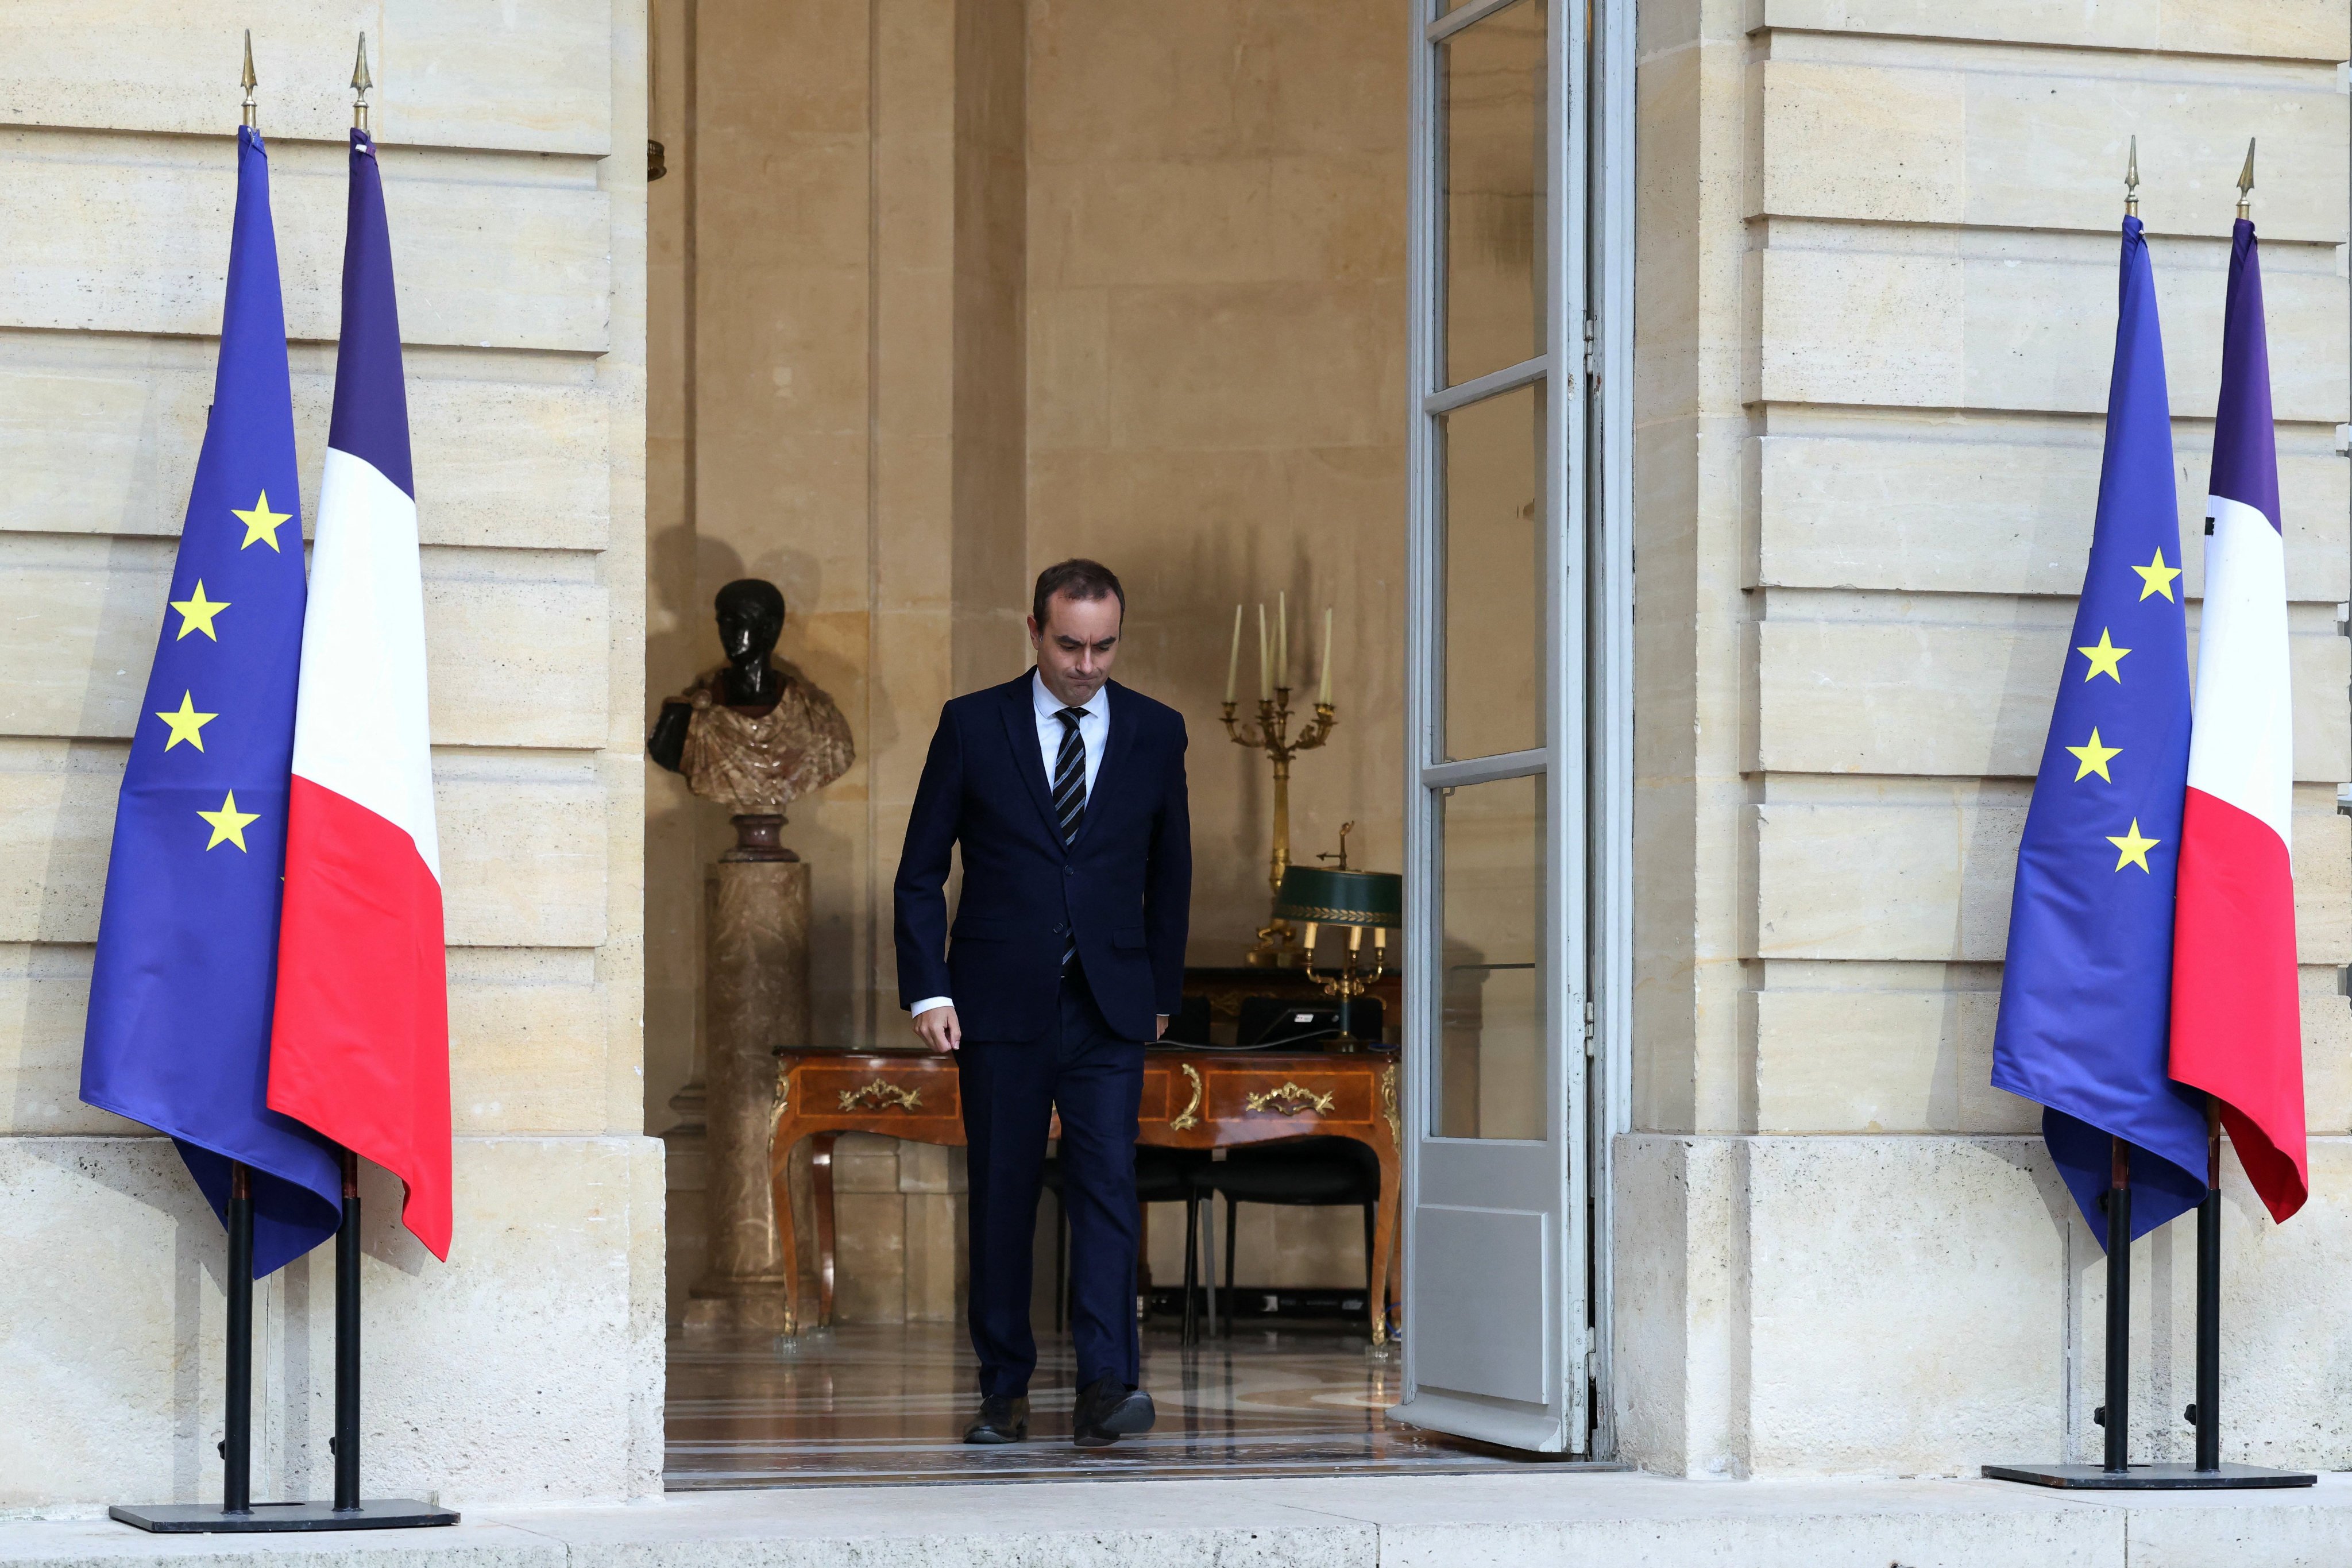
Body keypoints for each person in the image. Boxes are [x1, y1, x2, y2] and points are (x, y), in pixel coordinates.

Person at [893, 558, 1191, 1448]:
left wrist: (1161, 994)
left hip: (1109, 1007)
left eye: (1104, 646)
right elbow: (919, 871)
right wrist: (928, 988)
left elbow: (1170, 874)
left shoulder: (1156, 729)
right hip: (995, 1003)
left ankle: (1107, 1387)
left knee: (1107, 1192)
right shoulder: (972, 724)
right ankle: (1003, 1389)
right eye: (1070, 644)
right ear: (1034, 631)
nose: (1087, 664)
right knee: (1004, 1194)